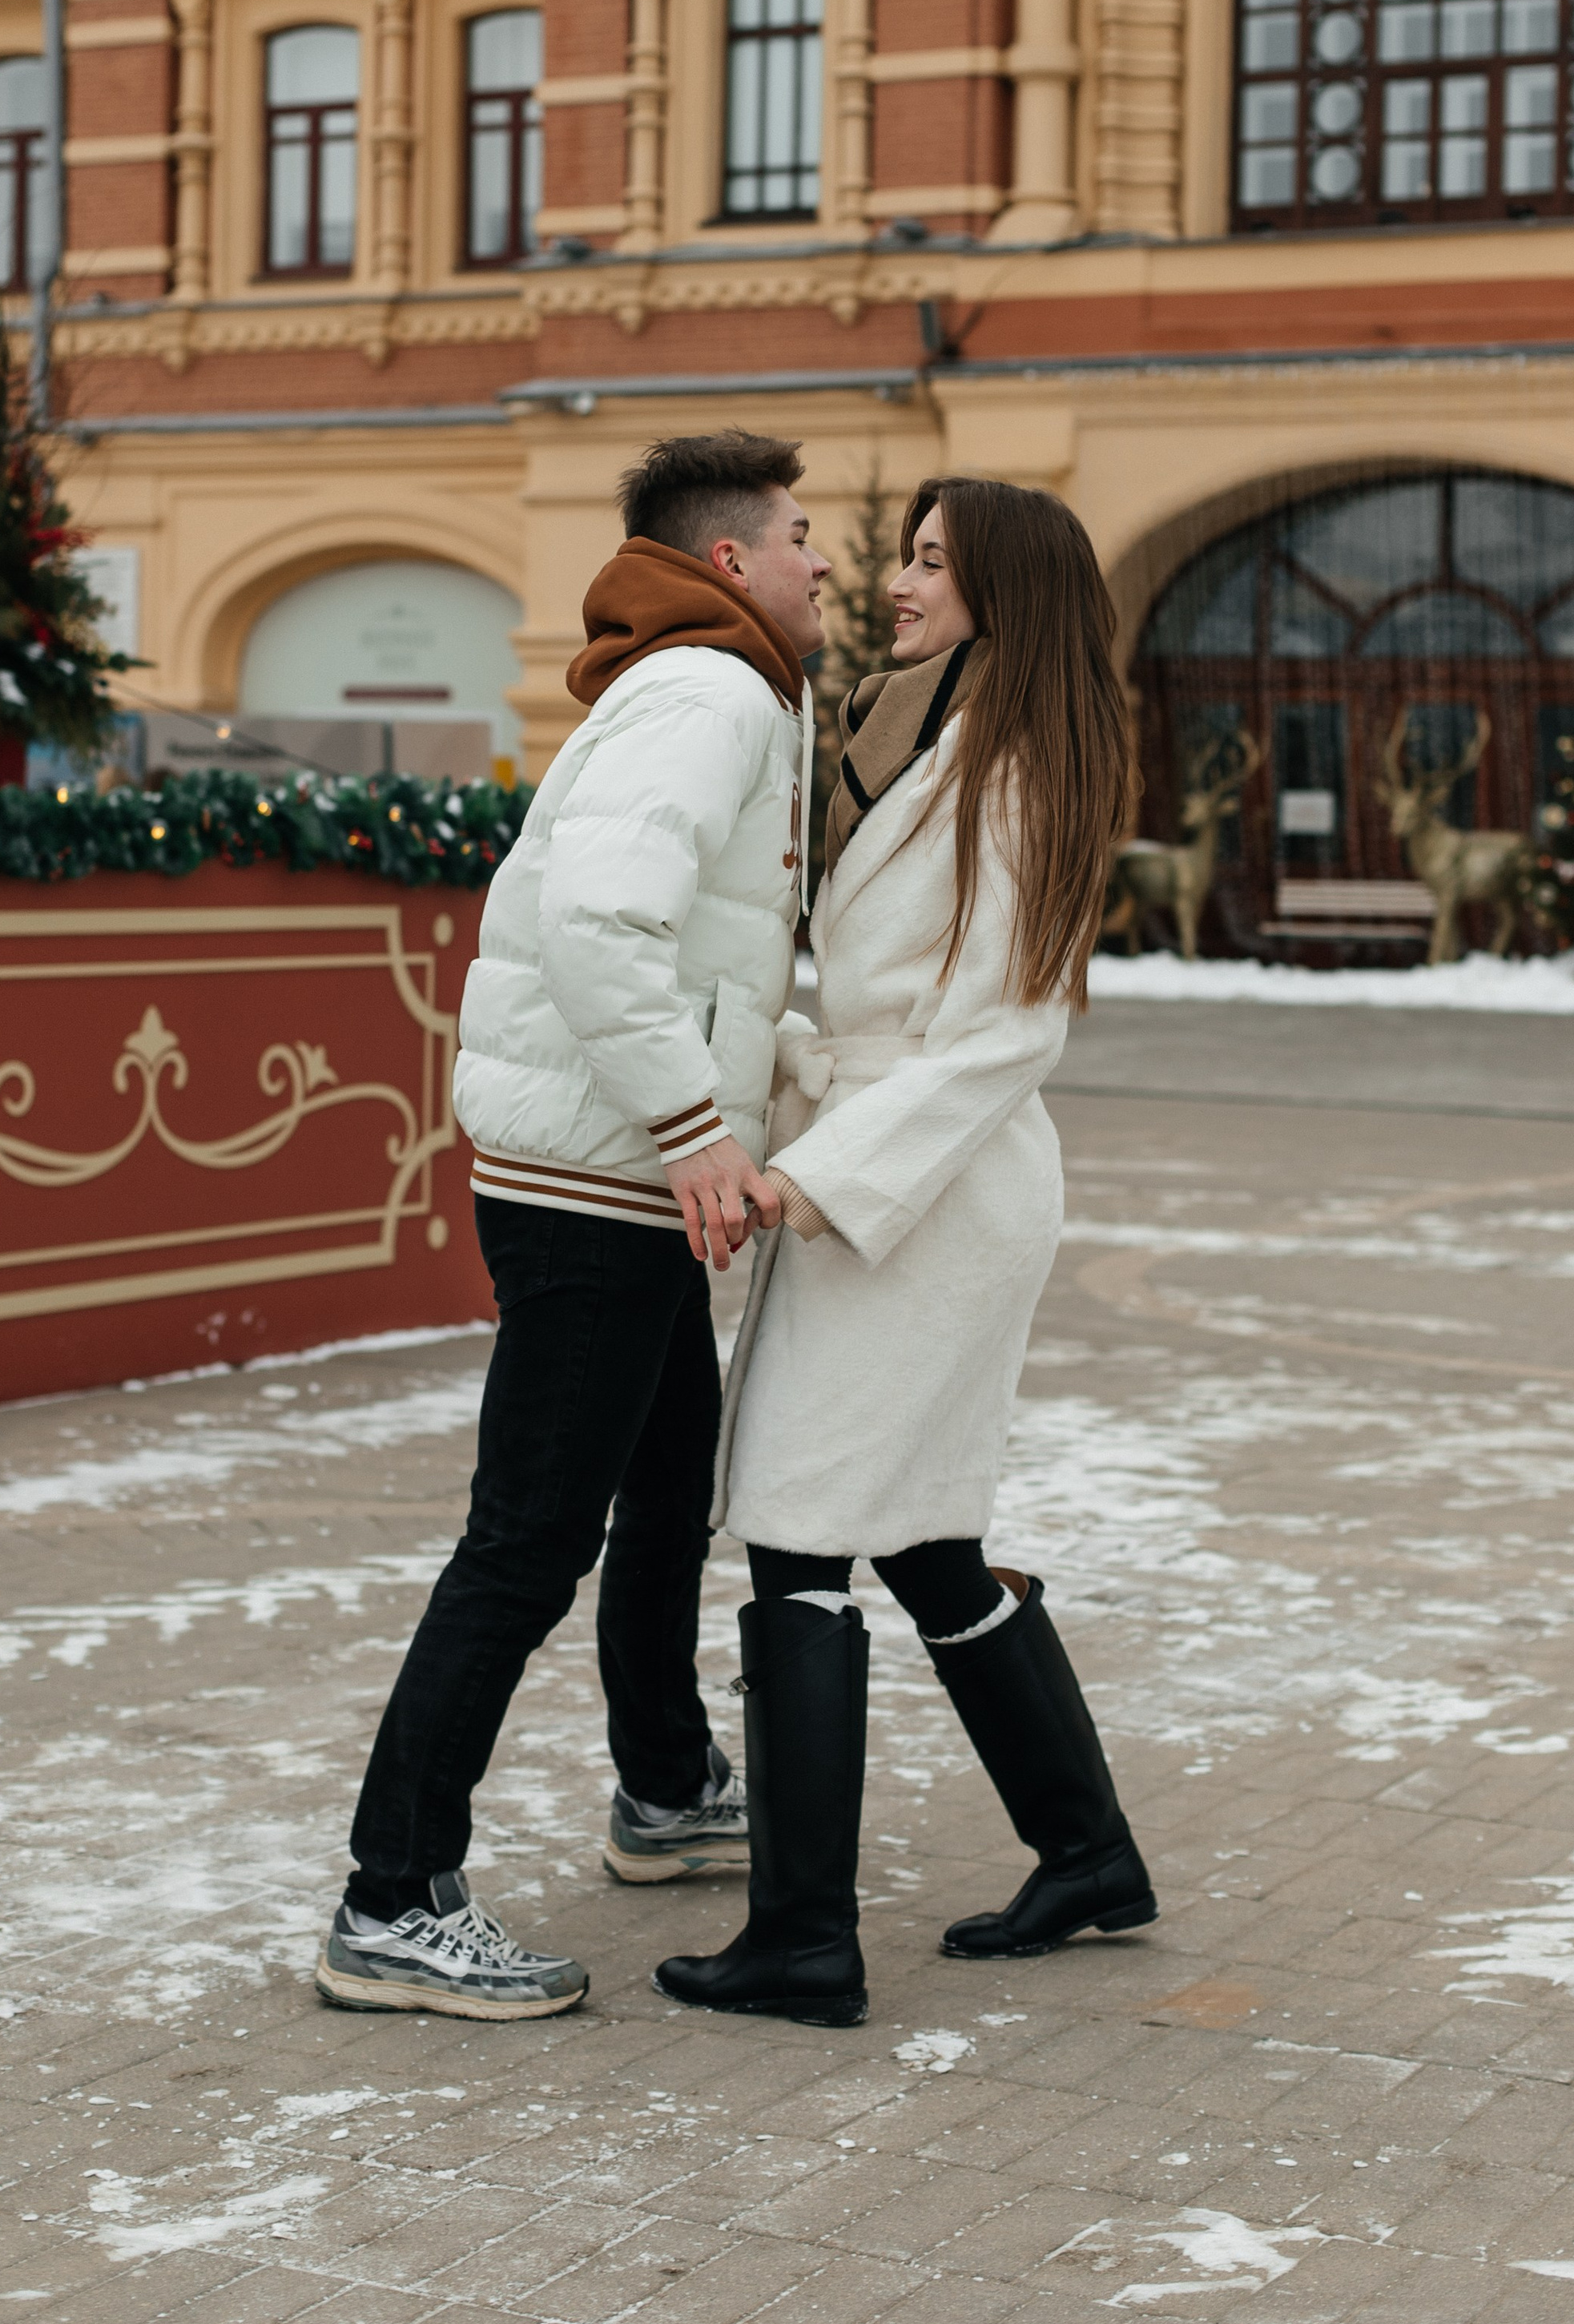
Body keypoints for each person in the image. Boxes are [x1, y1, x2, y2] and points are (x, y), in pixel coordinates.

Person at [314, 429, 828, 2022]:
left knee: (664, 1495)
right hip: (598, 1182)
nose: (826, 561)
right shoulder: (713, 692)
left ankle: (665, 1789)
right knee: (529, 1536)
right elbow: (605, 925)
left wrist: (761, 1081)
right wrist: (692, 1131)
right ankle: (390, 1898)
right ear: (732, 559)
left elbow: (685, 948)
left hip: (613, 1175)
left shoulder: (701, 680)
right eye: (802, 535)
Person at [658, 476, 1157, 2030]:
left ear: (997, 589)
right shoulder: (930, 733)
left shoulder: (1007, 766)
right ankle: (1087, 1857)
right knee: (922, 1536)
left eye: (931, 563)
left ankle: (803, 1940)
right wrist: (786, 1073)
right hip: (903, 1172)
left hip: (925, 1195)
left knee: (804, 1533)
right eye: (902, 557)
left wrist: (822, 1175)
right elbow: (889, 1017)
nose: (894, 582)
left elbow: (1004, 1032)